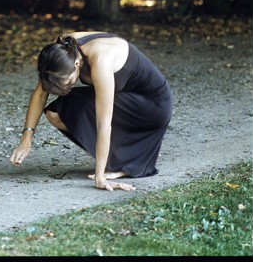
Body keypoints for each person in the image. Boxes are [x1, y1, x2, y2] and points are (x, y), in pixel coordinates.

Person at [10, 32, 173, 192]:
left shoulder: (101, 61)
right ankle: (128, 157)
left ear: (75, 65)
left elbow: (104, 124)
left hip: (152, 107)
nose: (62, 89)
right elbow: (40, 92)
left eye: (66, 82)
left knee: (80, 111)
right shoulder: (61, 50)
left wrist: (99, 177)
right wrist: (27, 138)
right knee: (57, 112)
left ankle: (128, 162)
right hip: (127, 96)